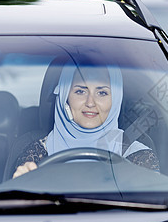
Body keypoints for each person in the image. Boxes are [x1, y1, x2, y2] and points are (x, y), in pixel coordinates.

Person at [13, 63, 159, 178]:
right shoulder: (35, 155)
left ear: (115, 100)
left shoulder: (139, 156)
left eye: (102, 93)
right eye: (80, 91)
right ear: (65, 97)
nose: (90, 102)